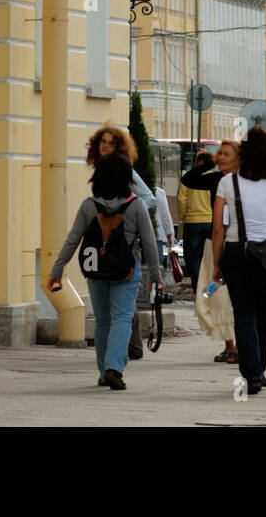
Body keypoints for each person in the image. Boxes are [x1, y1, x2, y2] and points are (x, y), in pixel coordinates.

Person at [48, 154, 160, 391]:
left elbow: (72, 240)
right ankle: (114, 369)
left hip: (95, 270)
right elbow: (149, 243)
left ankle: (103, 371)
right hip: (126, 271)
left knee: (102, 321)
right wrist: (157, 278)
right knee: (122, 317)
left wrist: (57, 270)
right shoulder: (135, 205)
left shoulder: (89, 206)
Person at [211, 126, 266, 394]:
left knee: (244, 314)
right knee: (263, 315)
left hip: (237, 253)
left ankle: (251, 374)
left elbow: (217, 229)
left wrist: (216, 263)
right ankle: (259, 369)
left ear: (244, 154)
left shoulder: (228, 182)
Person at [85, 123, 157, 362]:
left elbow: (148, 198)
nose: (106, 147)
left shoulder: (123, 169)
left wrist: (127, 216)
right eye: (103, 142)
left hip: (122, 242)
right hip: (109, 242)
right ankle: (132, 347)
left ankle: (130, 348)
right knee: (123, 305)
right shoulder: (102, 167)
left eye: (111, 143)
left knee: (121, 304)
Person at [182, 142, 241, 364]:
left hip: (232, 244)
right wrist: (206, 164)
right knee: (213, 294)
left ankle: (238, 347)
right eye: (220, 155)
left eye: (226, 155)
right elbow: (188, 180)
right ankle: (229, 345)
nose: (222, 158)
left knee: (231, 296)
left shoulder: (243, 180)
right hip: (214, 244)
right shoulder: (216, 179)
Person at [177, 151, 217, 295]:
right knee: (206, 257)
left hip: (192, 221)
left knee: (192, 257)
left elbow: (181, 199)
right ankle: (207, 291)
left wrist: (183, 216)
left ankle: (199, 290)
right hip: (210, 221)